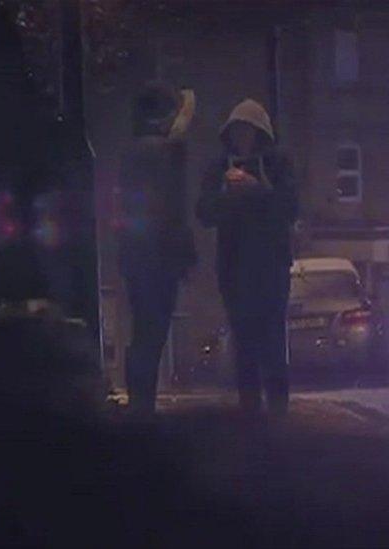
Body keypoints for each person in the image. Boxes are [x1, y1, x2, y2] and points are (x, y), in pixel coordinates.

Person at [196, 99, 298, 415]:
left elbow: (289, 208)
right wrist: (228, 195)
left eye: (248, 131)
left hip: (270, 266)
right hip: (234, 266)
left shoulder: (277, 165)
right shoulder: (220, 167)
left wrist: (257, 190)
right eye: (237, 131)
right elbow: (204, 212)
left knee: (272, 337)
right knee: (244, 339)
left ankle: (278, 408)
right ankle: (250, 408)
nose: (242, 138)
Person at [116, 85, 197, 413]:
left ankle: (140, 402)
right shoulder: (163, 152)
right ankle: (142, 407)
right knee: (153, 331)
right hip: (160, 258)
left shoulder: (132, 152)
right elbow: (173, 211)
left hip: (138, 257)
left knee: (143, 331)